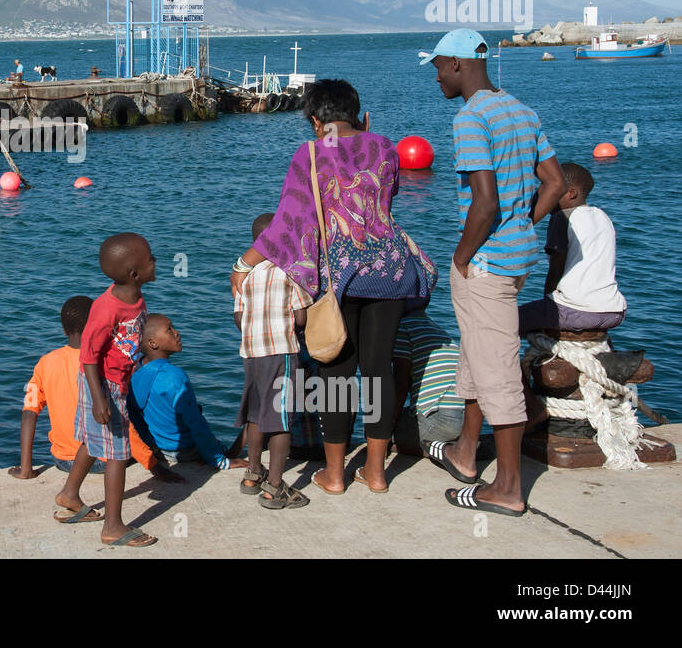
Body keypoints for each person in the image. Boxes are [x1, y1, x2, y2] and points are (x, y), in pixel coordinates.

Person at [231, 79, 437, 494]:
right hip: (390, 270)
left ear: (314, 120)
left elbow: (290, 222)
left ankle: (335, 474)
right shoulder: (385, 147)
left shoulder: (309, 153)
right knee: (378, 370)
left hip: (338, 276)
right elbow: (384, 201)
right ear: (360, 115)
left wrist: (243, 265)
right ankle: (377, 473)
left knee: (336, 374)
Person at [422, 28, 564, 517]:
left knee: (498, 370)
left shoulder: (470, 119)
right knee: (478, 353)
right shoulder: (522, 111)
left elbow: (485, 201)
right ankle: (465, 452)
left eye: (439, 66)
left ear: (459, 64)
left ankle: (506, 488)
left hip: (484, 264)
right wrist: (524, 225)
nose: (437, 76)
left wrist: (463, 256)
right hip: (516, 260)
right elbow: (556, 182)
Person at [54, 232, 158, 547]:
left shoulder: (135, 296)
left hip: (116, 382)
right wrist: (100, 399)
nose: (156, 261)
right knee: (116, 455)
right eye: (151, 258)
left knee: (92, 440)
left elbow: (127, 341)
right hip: (102, 385)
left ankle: (69, 494)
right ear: (135, 274)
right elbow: (88, 356)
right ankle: (113, 526)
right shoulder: (106, 308)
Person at [11, 295, 174, 482]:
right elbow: (121, 423)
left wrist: (26, 469)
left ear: (64, 330)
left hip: (64, 461)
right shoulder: (106, 364)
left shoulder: (45, 363)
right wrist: (154, 466)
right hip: (104, 460)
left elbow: (29, 413)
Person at [230, 212, 311, 508]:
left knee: (256, 414)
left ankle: (252, 473)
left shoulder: (244, 274)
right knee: (280, 420)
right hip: (282, 352)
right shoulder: (292, 272)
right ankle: (274, 487)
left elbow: (238, 319)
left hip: (251, 354)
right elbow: (301, 316)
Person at [128, 314, 252, 472]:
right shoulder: (175, 377)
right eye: (169, 330)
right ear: (152, 343)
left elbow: (134, 415)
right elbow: (196, 423)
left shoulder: (135, 370)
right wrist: (218, 460)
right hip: (184, 450)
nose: (176, 332)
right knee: (251, 421)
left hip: (158, 447)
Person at [518, 162, 626, 335]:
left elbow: (556, 268)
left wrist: (548, 305)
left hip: (577, 310)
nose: (540, 193)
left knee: (507, 323)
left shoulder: (563, 218)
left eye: (547, 188)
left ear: (571, 193)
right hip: (613, 310)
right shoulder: (602, 216)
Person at [391, 308, 466, 454]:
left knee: (376, 431)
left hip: (438, 417)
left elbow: (400, 385)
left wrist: (388, 427)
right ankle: (449, 443)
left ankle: (428, 449)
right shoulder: (435, 329)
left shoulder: (402, 327)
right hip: (464, 420)